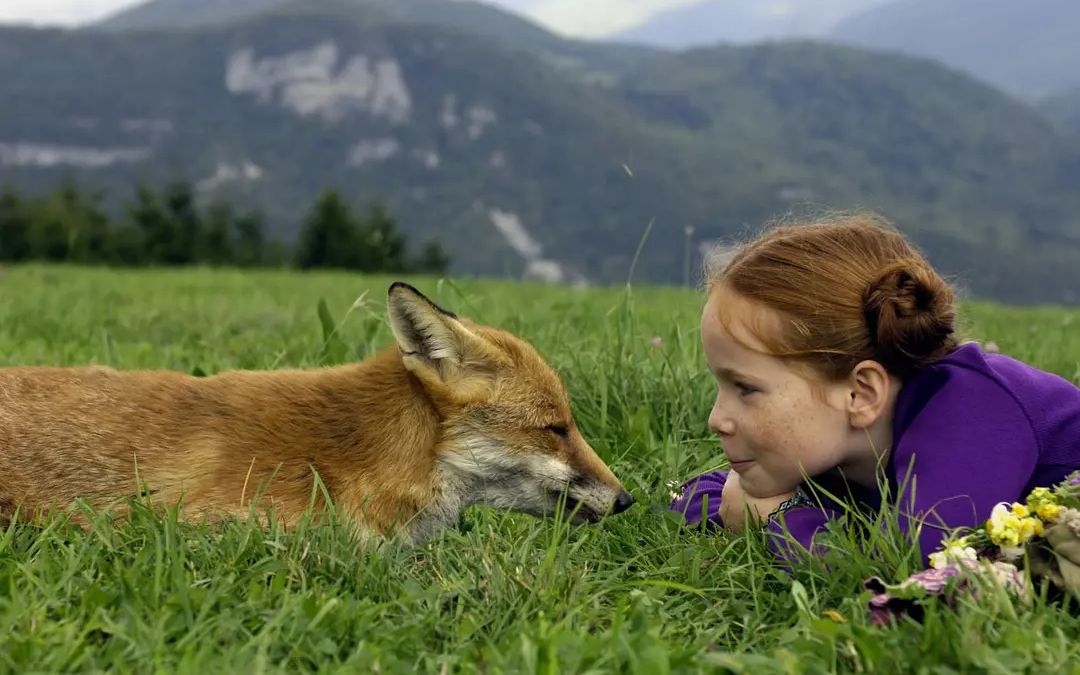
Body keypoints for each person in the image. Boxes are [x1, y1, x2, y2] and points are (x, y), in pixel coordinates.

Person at [669, 211, 1080, 564]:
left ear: (860, 393)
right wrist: (744, 506)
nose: (716, 419)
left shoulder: (973, 413)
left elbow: (909, 562)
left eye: (745, 388)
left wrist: (776, 522)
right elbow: (699, 496)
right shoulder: (836, 443)